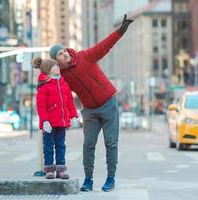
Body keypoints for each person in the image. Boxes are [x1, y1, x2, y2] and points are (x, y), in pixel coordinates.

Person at [49, 14, 133, 192]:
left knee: (111, 143)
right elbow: (50, 84)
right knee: (88, 145)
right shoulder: (62, 76)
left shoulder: (84, 57)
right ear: (57, 61)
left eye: (64, 51)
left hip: (108, 103)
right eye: (60, 55)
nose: (65, 55)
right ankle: (88, 180)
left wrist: (119, 32)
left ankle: (110, 179)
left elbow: (104, 46)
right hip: (89, 111)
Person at [33, 57, 78, 179]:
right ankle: (49, 169)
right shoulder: (44, 86)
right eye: (55, 66)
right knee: (48, 147)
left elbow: (70, 102)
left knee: (61, 145)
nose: (58, 68)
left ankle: (60, 169)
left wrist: (74, 116)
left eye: (58, 66)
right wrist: (45, 121)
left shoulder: (64, 84)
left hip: (61, 123)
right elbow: (41, 106)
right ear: (48, 70)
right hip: (49, 124)